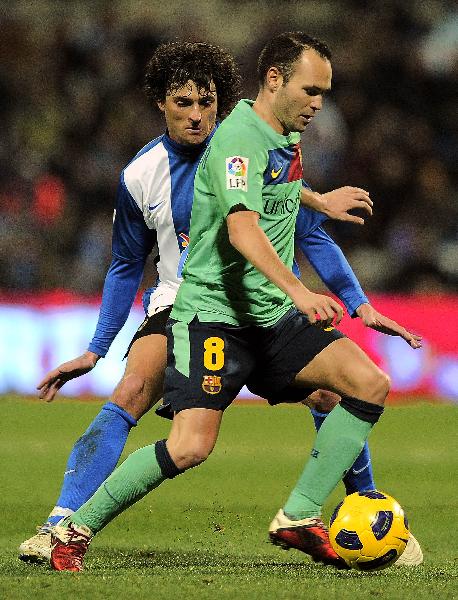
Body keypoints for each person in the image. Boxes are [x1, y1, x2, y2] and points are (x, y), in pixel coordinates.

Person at [46, 33, 423, 572]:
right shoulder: (233, 142)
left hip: (268, 316)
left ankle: (300, 513)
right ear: (275, 80)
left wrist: (350, 288)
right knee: (189, 446)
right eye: (311, 90)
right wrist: (301, 290)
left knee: (367, 384)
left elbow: (289, 210)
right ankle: (73, 527)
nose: (320, 104)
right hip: (213, 318)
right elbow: (244, 229)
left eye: (325, 92)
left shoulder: (282, 138)